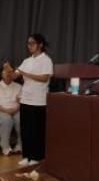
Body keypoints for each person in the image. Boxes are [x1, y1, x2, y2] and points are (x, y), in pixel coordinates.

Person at [3, 33, 54, 166]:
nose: (30, 46)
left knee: (37, 130)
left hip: (39, 101)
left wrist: (24, 73)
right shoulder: (26, 61)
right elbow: (14, 76)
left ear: (40, 44)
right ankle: (27, 156)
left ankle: (38, 157)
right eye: (28, 43)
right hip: (25, 100)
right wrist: (9, 71)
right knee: (26, 130)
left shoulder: (46, 60)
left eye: (32, 43)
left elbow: (44, 78)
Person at [0, 70, 22, 156]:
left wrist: (15, 109)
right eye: (5, 72)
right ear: (1, 74)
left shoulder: (18, 86)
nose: (7, 74)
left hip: (16, 109)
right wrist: (6, 111)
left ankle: (20, 146)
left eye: (9, 72)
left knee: (21, 119)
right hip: (2, 110)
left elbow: (21, 101)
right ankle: (5, 147)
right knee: (7, 120)